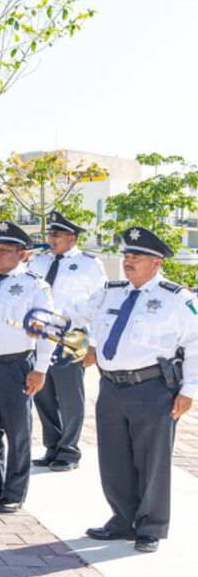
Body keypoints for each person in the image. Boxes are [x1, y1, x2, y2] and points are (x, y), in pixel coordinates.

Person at [62, 226, 197, 553]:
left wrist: (189, 390)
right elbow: (70, 314)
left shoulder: (177, 299)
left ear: (157, 262)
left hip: (153, 389)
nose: (129, 261)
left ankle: (150, 526)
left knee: (152, 460)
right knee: (114, 458)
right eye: (127, 255)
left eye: (137, 256)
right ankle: (122, 519)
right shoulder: (110, 292)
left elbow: (195, 344)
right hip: (111, 387)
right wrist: (81, 342)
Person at [0, 220, 56, 514]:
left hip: (16, 365)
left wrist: (41, 368)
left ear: (22, 255)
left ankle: (14, 492)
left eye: (5, 250)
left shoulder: (34, 285)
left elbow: (45, 328)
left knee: (18, 432)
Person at [27, 211, 107, 471]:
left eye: (57, 235)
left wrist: (94, 344)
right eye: (50, 234)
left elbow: (101, 304)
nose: (51, 239)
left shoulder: (89, 264)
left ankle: (69, 451)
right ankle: (52, 446)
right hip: (41, 333)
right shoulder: (38, 261)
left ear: (72, 238)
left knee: (70, 395)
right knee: (43, 394)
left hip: (73, 335)